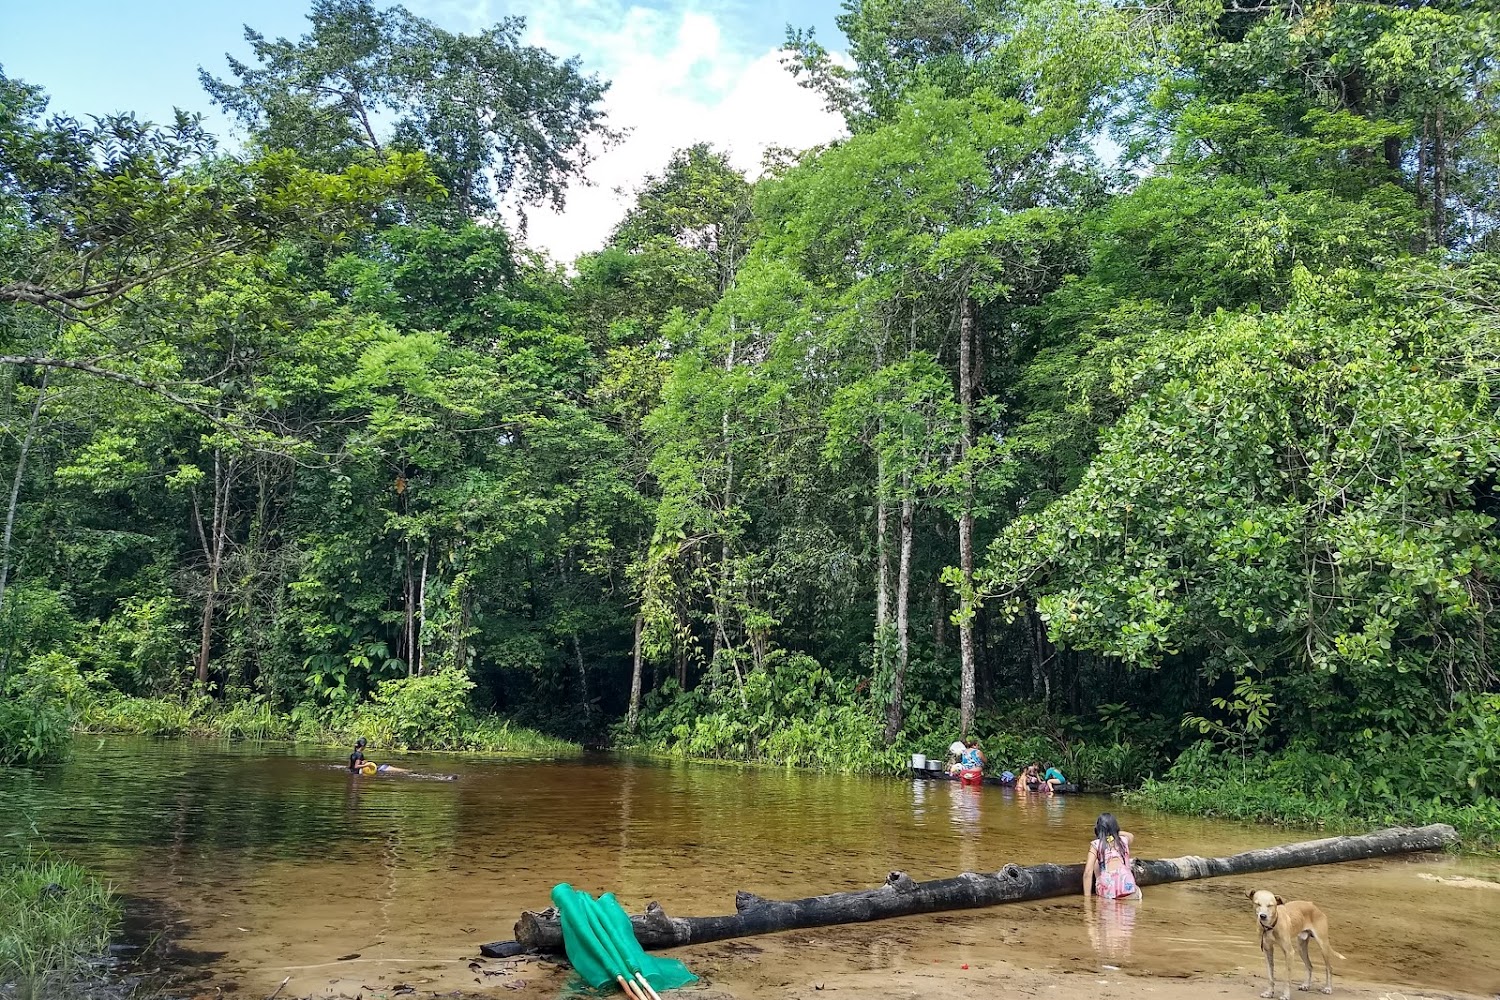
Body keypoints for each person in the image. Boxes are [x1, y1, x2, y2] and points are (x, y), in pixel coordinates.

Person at [1083, 813, 1140, 900]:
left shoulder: (1096, 844)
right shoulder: (1123, 841)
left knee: (1096, 862)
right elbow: (1131, 836)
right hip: (1128, 885)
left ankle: (1101, 883)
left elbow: (1088, 872)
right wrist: (1114, 833)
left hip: (1109, 888)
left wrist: (1087, 900)